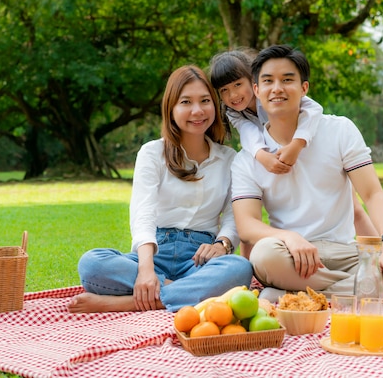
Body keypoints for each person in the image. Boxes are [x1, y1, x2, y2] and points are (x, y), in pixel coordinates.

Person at [231, 45, 383, 301]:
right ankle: (372, 291)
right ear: (257, 90)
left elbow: (372, 194)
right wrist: (290, 237)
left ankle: (295, 295)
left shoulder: (340, 130)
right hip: (291, 256)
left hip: (346, 252)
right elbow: (247, 225)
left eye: (287, 80)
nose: (277, 88)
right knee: (264, 255)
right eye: (268, 81)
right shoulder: (247, 159)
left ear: (304, 88)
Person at [68, 65, 254, 313]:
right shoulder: (152, 152)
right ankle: (184, 292)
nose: (197, 111)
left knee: (239, 269)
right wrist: (146, 270)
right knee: (92, 264)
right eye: (186, 102)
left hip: (200, 259)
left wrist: (222, 244)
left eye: (205, 101)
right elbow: (142, 212)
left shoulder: (230, 158)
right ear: (171, 108)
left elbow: (234, 215)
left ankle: (131, 303)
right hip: (155, 252)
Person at [209, 49, 378, 258]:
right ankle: (249, 269)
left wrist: (297, 145)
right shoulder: (234, 111)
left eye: (237, 85)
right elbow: (247, 132)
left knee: (354, 208)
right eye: (224, 90)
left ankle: (378, 255)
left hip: (308, 148)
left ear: (252, 81)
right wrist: (262, 156)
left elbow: (314, 112)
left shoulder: (278, 94)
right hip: (272, 154)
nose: (233, 95)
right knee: (251, 218)